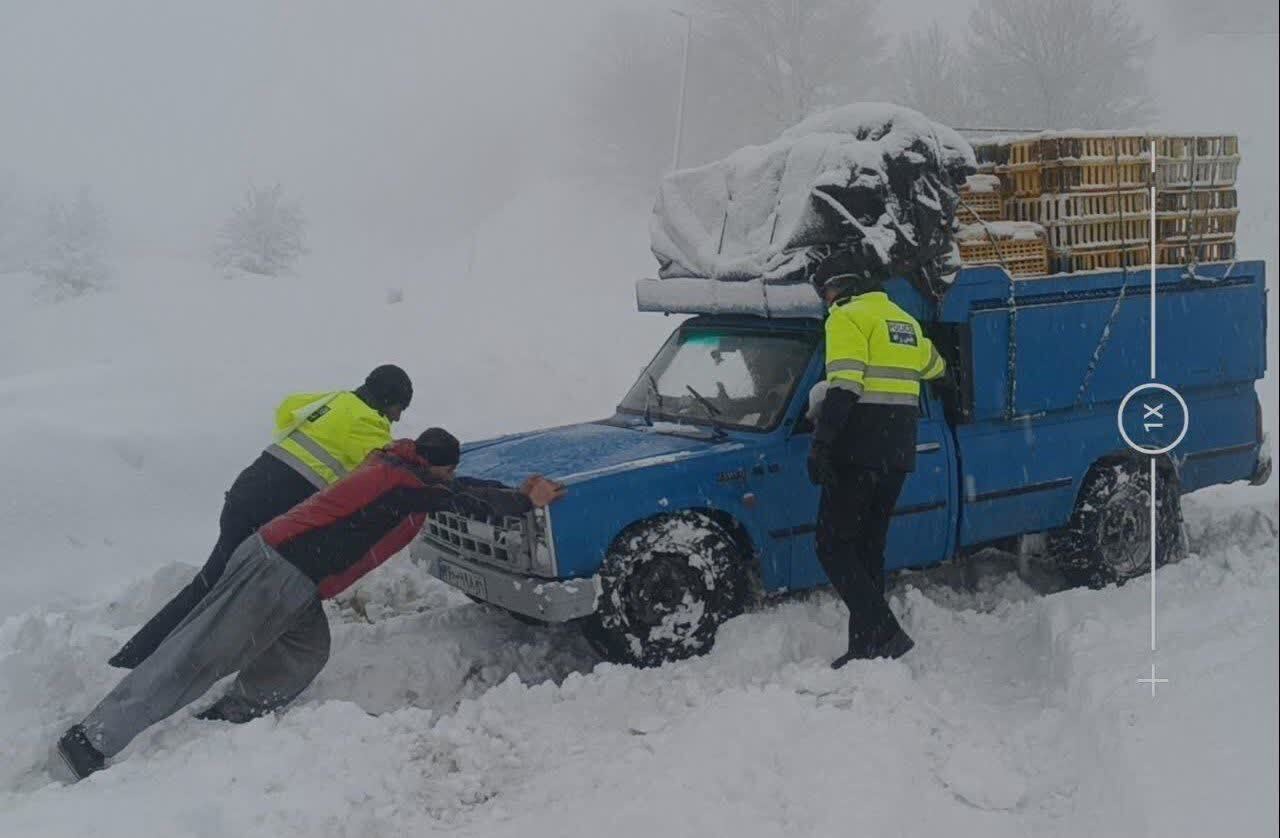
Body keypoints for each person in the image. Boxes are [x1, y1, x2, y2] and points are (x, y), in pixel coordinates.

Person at [56, 428, 566, 781]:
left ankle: (234, 713)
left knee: (305, 650)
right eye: (445, 474)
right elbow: (455, 500)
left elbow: (453, 489)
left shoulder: (403, 469)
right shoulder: (401, 486)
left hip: (293, 576)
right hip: (278, 570)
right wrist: (525, 502)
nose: (447, 481)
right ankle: (92, 739)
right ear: (434, 466)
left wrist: (509, 489)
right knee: (199, 654)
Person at [107, 364, 414, 670]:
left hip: (247, 492)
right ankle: (146, 660)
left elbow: (287, 409)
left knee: (215, 581)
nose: (398, 417)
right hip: (270, 507)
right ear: (387, 399)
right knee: (217, 588)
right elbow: (386, 473)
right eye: (399, 408)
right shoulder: (368, 423)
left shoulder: (332, 401)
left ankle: (150, 655)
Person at [805, 254, 947, 669]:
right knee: (869, 548)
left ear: (842, 287)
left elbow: (845, 386)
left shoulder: (846, 318)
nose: (827, 300)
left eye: (827, 291)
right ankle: (866, 646)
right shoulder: (903, 320)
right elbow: (935, 366)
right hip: (897, 453)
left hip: (857, 449)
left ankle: (884, 632)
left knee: (831, 546)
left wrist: (822, 444)